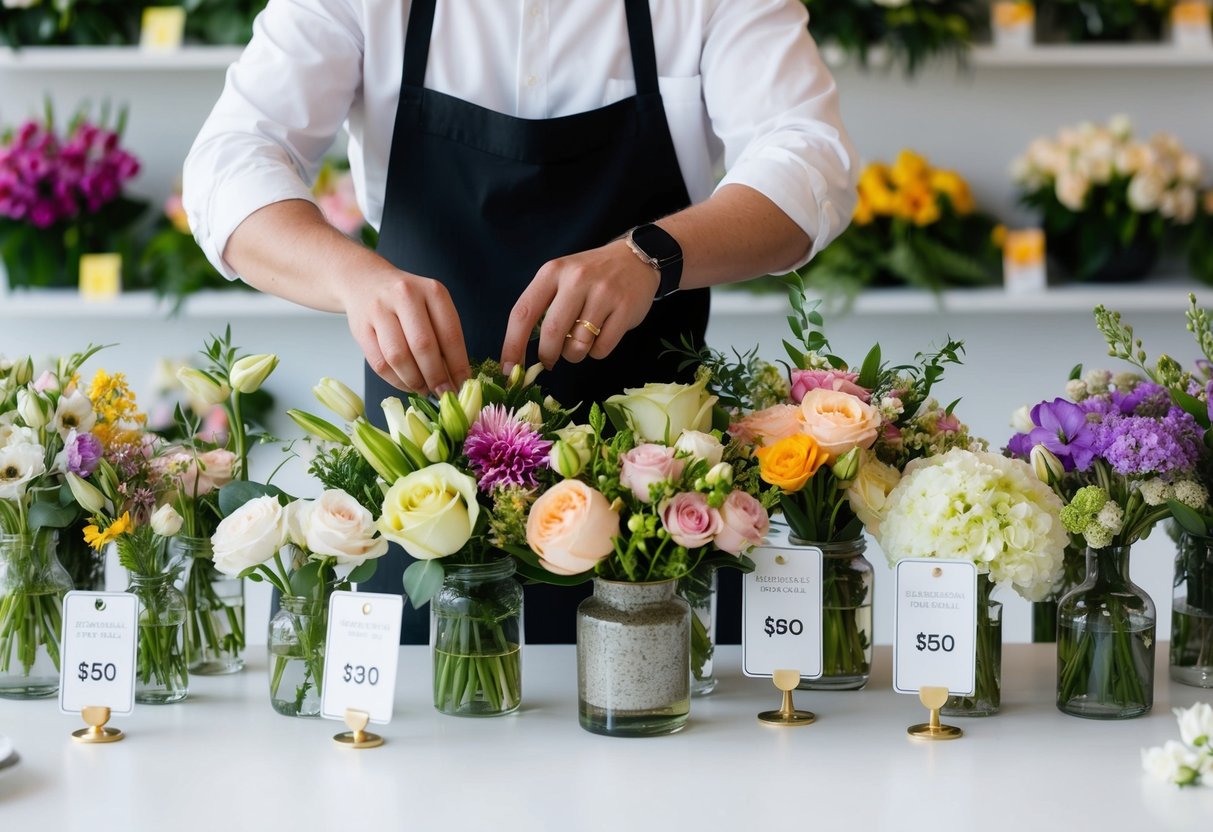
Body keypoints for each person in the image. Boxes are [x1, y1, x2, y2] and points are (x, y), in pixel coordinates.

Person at [183, 0, 857, 645]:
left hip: (656, 521)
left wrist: (649, 254)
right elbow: (228, 162)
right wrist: (352, 277)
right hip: (425, 513)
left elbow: (810, 156)